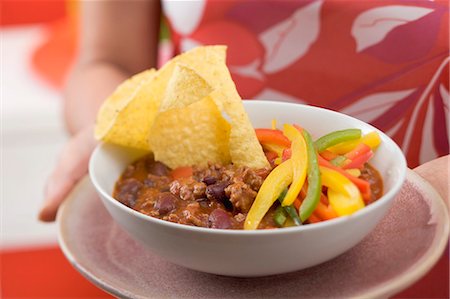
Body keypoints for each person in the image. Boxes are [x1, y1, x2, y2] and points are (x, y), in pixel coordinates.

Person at [38, 0, 448, 221]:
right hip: (186, 259)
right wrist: (105, 136)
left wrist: (420, 199)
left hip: (434, 219)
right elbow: (107, 59)